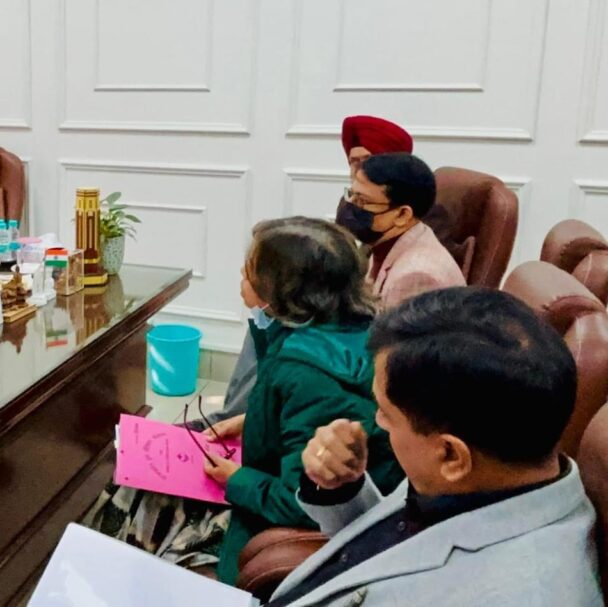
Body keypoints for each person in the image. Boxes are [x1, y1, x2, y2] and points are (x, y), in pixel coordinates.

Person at [85, 218, 404, 586]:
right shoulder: (337, 330)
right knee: (135, 474)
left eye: (250, 269)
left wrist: (236, 479)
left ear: (280, 289)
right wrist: (254, 420)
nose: (241, 274)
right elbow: (297, 420)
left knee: (133, 494)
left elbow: (305, 499)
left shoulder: (310, 373)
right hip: (268, 479)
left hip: (272, 524)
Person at [264, 288, 601, 606]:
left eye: (385, 414)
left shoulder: (521, 595)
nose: (375, 422)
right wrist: (342, 490)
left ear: (451, 455)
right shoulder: (494, 472)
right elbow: (400, 554)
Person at [208, 117, 415, 434]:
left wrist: (243, 464)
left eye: (369, 162)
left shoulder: (305, 368)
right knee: (263, 322)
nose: (360, 173)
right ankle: (237, 415)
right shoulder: (369, 217)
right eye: (354, 163)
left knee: (271, 320)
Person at [337, 153, 465, 310]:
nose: (351, 205)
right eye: (352, 195)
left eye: (362, 201)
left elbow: (389, 326)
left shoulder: (416, 276)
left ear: (403, 214)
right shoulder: (383, 244)